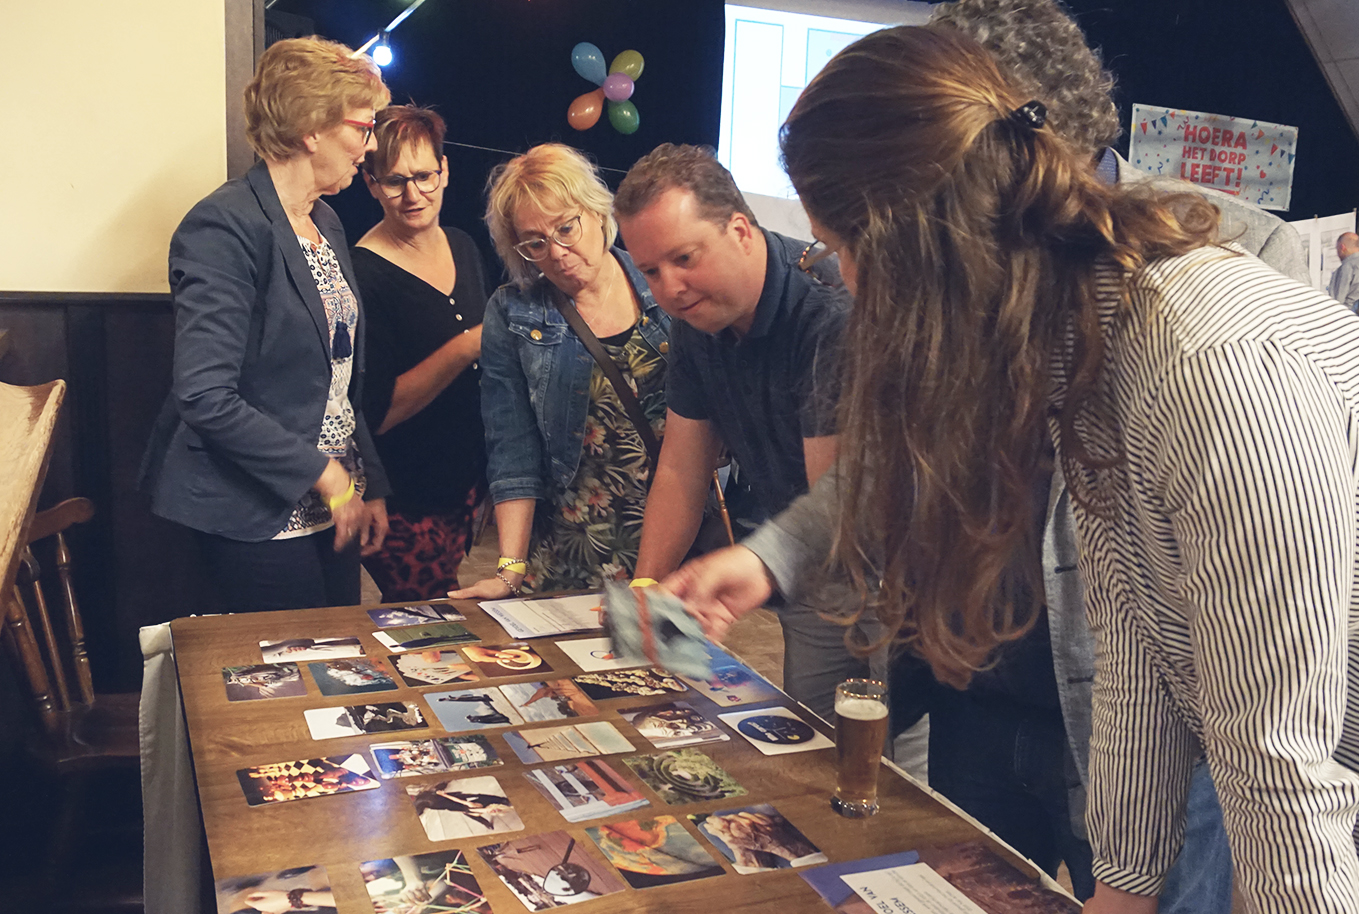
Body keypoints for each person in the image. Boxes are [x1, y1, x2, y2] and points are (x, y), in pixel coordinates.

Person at [668, 25, 1359, 914]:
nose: (843, 282)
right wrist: (1121, 894)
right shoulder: (1088, 340)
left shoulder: (1205, 358)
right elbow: (1136, 653)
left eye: (838, 248)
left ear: (912, 247)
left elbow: (1281, 773)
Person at [138, 37, 391, 611]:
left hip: (334, 498)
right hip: (250, 508)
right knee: (301, 664)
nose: (370, 145)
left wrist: (365, 480)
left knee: (342, 656)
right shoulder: (222, 225)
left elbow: (337, 379)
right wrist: (325, 474)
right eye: (363, 127)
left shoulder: (325, 220)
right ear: (312, 128)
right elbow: (205, 396)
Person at [614, 144, 858, 721]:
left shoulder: (829, 308)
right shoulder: (697, 315)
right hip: (803, 569)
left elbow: (835, 505)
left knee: (878, 754)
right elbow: (682, 467)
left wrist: (754, 565)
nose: (669, 288)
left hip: (868, 569)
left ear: (741, 231)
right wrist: (646, 593)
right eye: (650, 271)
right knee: (817, 739)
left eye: (684, 258)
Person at [449, 144, 672, 599]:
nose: (557, 252)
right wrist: (510, 568)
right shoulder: (514, 312)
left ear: (597, 211)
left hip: (672, 548)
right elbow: (512, 446)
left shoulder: (662, 283)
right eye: (535, 242)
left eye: (566, 228)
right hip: (567, 551)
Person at [352, 105, 490, 601]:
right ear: (370, 184)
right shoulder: (362, 273)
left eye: (424, 176)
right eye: (394, 181)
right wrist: (466, 345)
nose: (413, 195)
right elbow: (376, 414)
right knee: (426, 624)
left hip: (464, 483)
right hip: (403, 495)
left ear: (445, 170)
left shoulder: (462, 245)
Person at [1330, 231, 1359, 312]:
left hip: (1350, 315)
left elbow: (1338, 301)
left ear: (1342, 247)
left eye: (1337, 249)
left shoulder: (1346, 267)